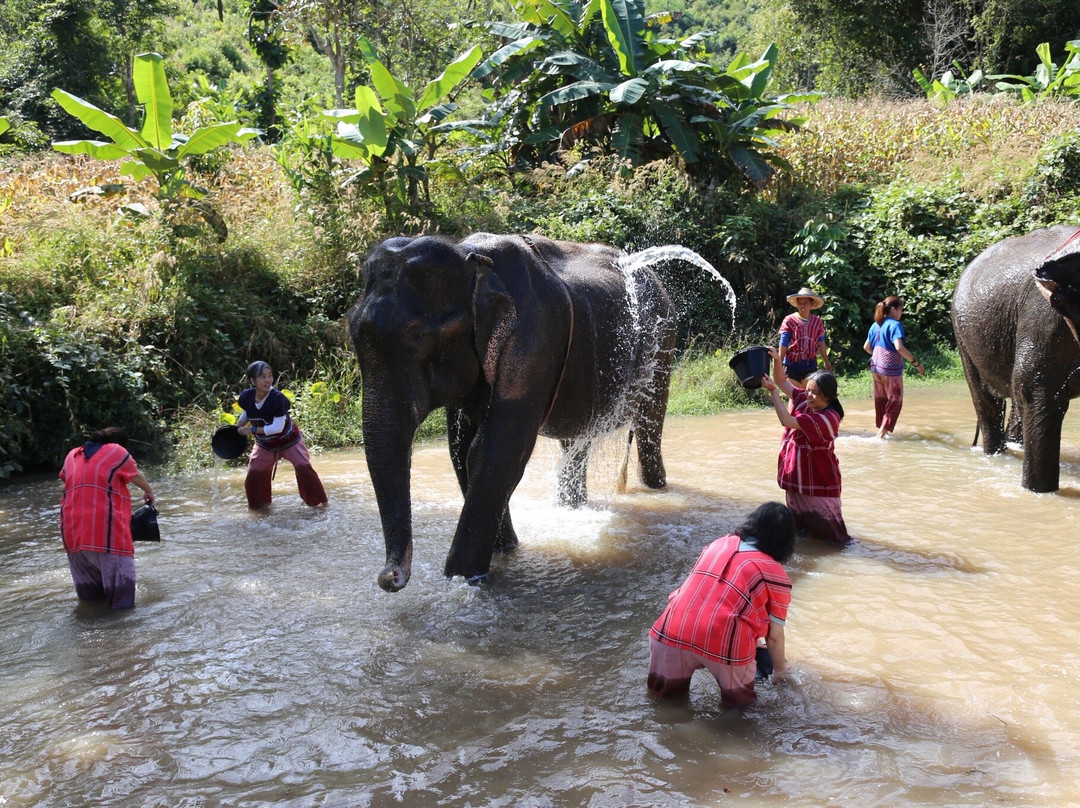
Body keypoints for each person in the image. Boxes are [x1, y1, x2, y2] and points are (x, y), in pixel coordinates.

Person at [647, 501, 796, 707]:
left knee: (663, 705)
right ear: (786, 543)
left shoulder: (719, 544)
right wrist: (780, 672)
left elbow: (712, 597)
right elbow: (775, 638)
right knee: (739, 712)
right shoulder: (776, 575)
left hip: (669, 632)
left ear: (752, 523)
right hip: (726, 646)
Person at [761, 349, 851, 545]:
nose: (809, 395)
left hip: (818, 482)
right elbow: (783, 381)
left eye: (815, 393)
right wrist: (777, 360)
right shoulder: (806, 401)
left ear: (828, 396)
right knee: (802, 534)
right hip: (799, 478)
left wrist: (773, 392)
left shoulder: (827, 418)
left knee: (832, 539)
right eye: (808, 390)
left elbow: (786, 420)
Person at [59, 427, 155, 610]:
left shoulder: (72, 455)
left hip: (72, 537)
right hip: (106, 538)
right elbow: (134, 474)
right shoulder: (115, 451)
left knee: (91, 605)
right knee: (122, 608)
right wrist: (148, 491)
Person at [236, 360, 327, 509]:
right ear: (253, 381)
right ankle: (260, 509)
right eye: (263, 377)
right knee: (254, 472)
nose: (268, 380)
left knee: (303, 466)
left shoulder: (277, 399)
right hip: (265, 443)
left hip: (289, 440)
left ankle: (319, 505)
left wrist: (251, 430)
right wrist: (238, 426)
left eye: (270, 376)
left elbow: (277, 428)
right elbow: (247, 412)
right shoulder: (247, 396)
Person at [863, 295, 925, 439]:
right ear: (893, 309)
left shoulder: (876, 324)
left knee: (881, 399)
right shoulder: (895, 325)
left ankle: (880, 430)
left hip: (876, 368)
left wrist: (878, 355)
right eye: (901, 310)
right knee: (895, 401)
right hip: (891, 370)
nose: (901, 313)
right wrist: (916, 364)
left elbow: (866, 347)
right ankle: (881, 435)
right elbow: (899, 347)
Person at [778, 286, 832, 387]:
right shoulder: (789, 320)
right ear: (797, 304)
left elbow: (821, 343)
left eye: (805, 303)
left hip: (810, 364)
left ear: (811, 304)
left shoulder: (817, 322)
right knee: (794, 395)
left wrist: (826, 361)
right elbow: (783, 343)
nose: (802, 306)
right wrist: (779, 362)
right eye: (800, 303)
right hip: (792, 364)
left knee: (808, 395)